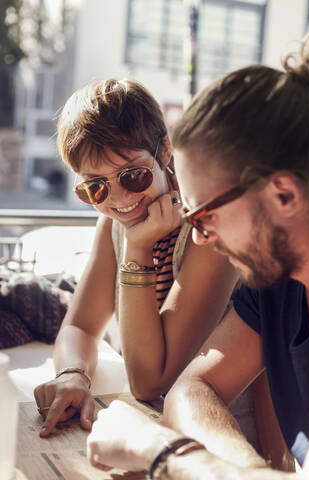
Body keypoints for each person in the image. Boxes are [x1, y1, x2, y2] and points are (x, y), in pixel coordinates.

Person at [86, 33, 309, 480]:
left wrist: (161, 452)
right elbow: (192, 389)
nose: (200, 239)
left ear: (284, 194)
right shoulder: (275, 285)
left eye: (206, 215)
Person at [34, 78, 241, 438]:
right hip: (158, 426)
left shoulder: (206, 226)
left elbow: (149, 381)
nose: (119, 200)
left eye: (133, 175)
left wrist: (137, 249)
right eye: (95, 186)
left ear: (164, 149)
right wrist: (72, 373)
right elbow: (80, 326)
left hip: (223, 437)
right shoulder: (115, 223)